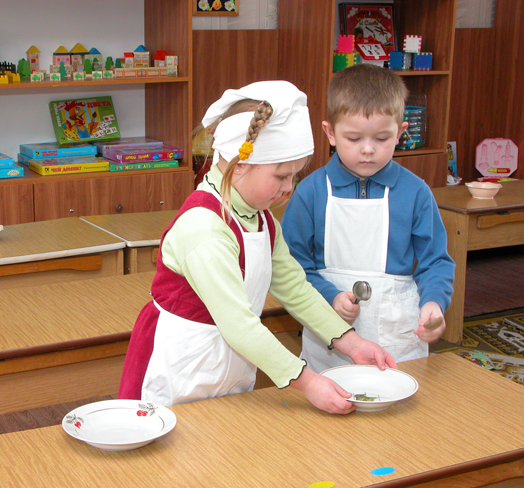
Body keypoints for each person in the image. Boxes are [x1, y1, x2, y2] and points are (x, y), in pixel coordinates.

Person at [118, 80, 396, 415]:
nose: (288, 188)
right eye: (280, 177)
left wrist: (351, 342)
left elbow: (295, 289)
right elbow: (238, 324)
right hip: (178, 365)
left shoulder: (261, 220)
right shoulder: (205, 228)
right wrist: (307, 381)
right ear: (239, 164)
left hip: (229, 363)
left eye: (294, 176)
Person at [281, 64, 455, 373]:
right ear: (330, 133)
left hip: (398, 340)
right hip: (329, 337)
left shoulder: (416, 193)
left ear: (400, 133)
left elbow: (436, 262)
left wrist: (433, 304)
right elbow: (291, 266)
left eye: (382, 138)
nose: (368, 150)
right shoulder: (310, 193)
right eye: (353, 138)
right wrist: (330, 297)